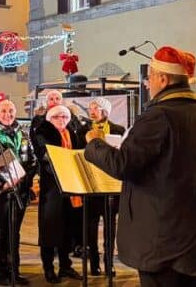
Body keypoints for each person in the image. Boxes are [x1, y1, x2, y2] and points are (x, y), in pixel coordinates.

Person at [84, 46, 196, 287]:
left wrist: (94, 143)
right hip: (195, 238)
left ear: (163, 78)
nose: (147, 84)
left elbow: (123, 164)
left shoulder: (159, 115)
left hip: (162, 242)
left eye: (149, 77)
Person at [0, 94, 35, 284]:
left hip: (19, 189)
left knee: (14, 231)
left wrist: (25, 180)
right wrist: (0, 184)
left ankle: (13, 270)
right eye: (3, 110)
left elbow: (31, 160)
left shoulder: (22, 132)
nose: (8, 114)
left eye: (11, 110)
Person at [31, 102, 84, 283]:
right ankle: (48, 267)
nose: (61, 120)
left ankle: (65, 266)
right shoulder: (43, 132)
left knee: (68, 228)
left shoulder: (72, 133)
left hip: (70, 186)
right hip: (52, 187)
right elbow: (45, 155)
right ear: (49, 118)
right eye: (56, 117)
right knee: (50, 227)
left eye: (64, 117)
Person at [80, 97, 126, 277]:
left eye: (95, 108)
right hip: (91, 183)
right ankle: (94, 262)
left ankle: (109, 263)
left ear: (105, 111)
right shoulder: (83, 130)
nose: (91, 111)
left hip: (110, 183)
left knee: (109, 226)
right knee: (90, 226)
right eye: (90, 108)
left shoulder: (118, 130)